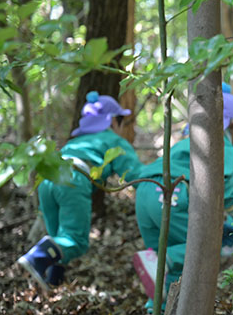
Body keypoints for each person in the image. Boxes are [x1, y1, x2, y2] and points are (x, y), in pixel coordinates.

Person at [134, 93, 233, 310]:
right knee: (203, 246)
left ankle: (156, 313)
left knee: (168, 261)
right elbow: (222, 183)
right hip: (171, 192)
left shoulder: (191, 140)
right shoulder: (220, 142)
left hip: (145, 191)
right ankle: (161, 261)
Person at [17, 92, 143, 292]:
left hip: (47, 178)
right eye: (121, 120)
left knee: (58, 238)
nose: (121, 127)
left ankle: (53, 281)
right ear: (112, 122)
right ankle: (36, 258)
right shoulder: (113, 141)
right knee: (75, 240)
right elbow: (136, 175)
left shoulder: (77, 141)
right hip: (73, 178)